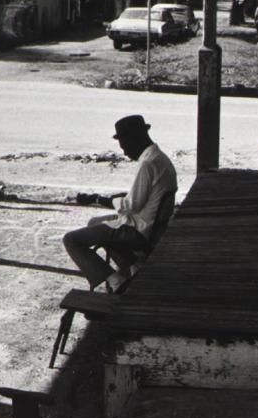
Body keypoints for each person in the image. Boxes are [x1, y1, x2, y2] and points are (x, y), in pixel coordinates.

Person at [63, 114, 177, 293]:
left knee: (71, 240)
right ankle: (133, 267)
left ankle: (115, 281)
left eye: (125, 146)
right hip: (153, 225)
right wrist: (114, 199)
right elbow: (143, 196)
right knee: (94, 222)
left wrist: (102, 199)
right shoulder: (160, 158)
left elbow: (131, 206)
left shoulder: (147, 164)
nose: (125, 153)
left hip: (139, 229)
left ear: (134, 138)